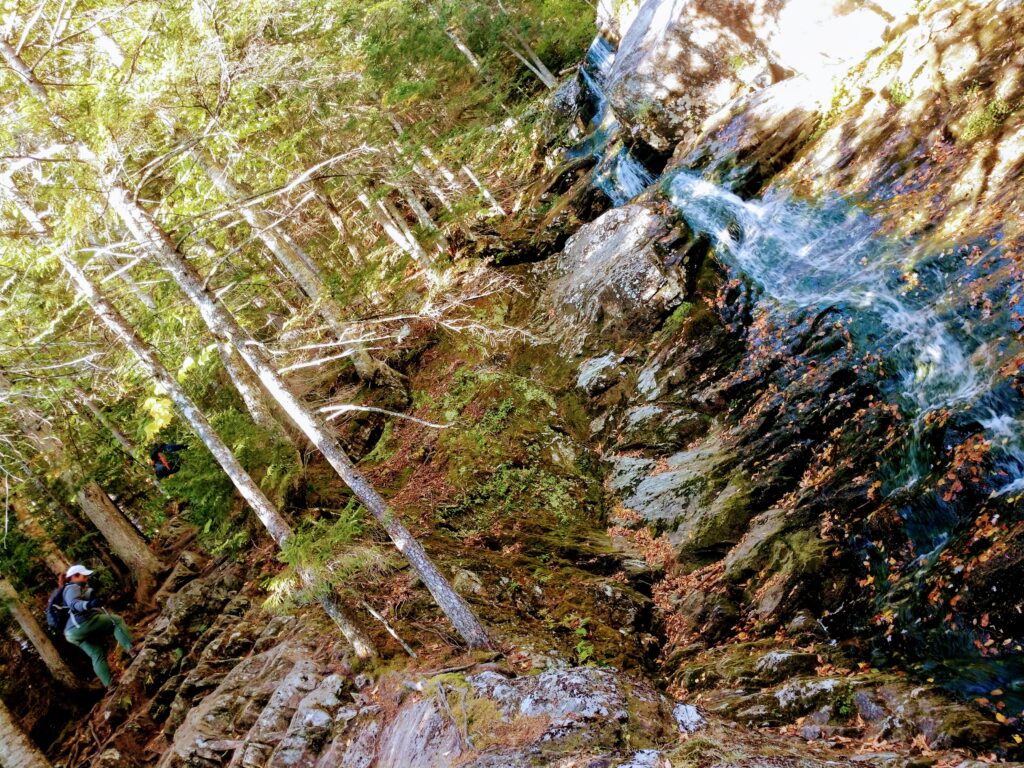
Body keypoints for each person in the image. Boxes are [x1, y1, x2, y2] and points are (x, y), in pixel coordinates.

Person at [62, 564, 135, 687]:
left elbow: (83, 599)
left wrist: (92, 591)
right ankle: (132, 649)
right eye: (84, 576)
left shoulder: (71, 590)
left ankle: (110, 685)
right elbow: (75, 604)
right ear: (75, 576)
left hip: (71, 633)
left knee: (96, 653)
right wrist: (90, 605)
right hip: (81, 624)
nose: (86, 578)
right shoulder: (72, 587)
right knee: (116, 621)